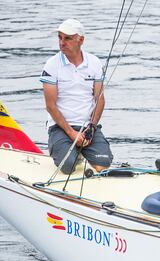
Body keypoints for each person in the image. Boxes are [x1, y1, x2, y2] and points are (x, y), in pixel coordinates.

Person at [40, 18, 113, 174]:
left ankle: (80, 150)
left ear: (81, 40)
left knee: (104, 163)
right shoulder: (51, 65)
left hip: (86, 126)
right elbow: (50, 106)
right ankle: (73, 154)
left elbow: (99, 99)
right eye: (59, 37)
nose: (62, 42)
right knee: (68, 167)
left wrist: (92, 128)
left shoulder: (94, 62)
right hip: (60, 127)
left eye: (67, 38)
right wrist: (71, 133)